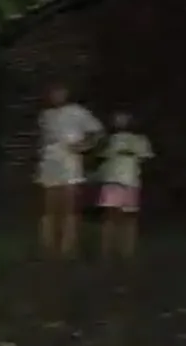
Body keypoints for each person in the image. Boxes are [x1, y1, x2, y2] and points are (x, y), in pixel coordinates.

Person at [37, 83, 103, 258]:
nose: (56, 96)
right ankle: (49, 247)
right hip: (50, 163)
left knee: (70, 206)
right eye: (53, 92)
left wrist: (84, 146)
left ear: (66, 93)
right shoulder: (46, 115)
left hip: (69, 163)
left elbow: (97, 131)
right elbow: (44, 140)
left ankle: (68, 247)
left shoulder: (77, 111)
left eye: (59, 92)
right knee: (50, 207)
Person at [95, 112, 154, 260]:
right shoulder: (107, 140)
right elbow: (98, 156)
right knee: (110, 217)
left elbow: (146, 159)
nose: (122, 122)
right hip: (112, 182)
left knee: (129, 218)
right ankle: (107, 251)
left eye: (125, 119)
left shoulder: (140, 140)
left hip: (130, 182)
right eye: (118, 120)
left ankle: (126, 252)